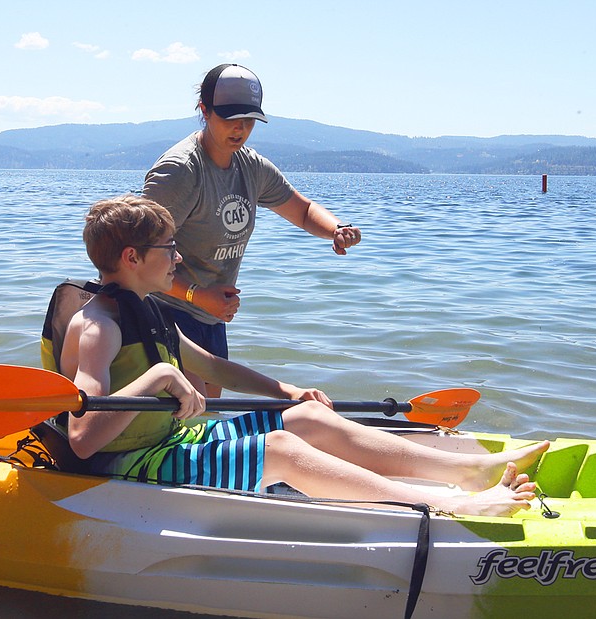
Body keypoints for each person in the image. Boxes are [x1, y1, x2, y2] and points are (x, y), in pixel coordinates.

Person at [58, 195, 548, 516]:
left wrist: (286, 392)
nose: (179, 258)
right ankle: (446, 506)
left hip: (173, 439)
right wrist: (160, 375)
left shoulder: (149, 309)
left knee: (308, 417)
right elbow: (82, 438)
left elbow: (209, 367)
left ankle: (465, 471)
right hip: (130, 463)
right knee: (280, 450)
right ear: (132, 259)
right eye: (169, 248)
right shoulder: (99, 327)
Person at [142, 63, 363, 396]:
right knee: (189, 418)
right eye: (229, 118)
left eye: (248, 120)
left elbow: (302, 211)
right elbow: (138, 260)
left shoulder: (250, 166)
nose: (240, 129)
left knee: (207, 418)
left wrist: (336, 229)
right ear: (204, 110)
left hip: (211, 315)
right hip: (163, 312)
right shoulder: (180, 171)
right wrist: (197, 295)